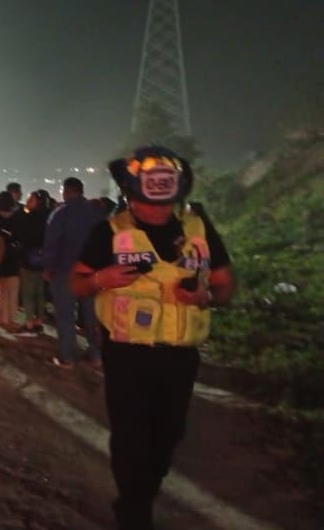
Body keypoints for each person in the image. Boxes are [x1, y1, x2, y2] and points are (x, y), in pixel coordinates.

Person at [70, 145, 234, 530]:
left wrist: (206, 296)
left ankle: (142, 491)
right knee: (130, 436)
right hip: (127, 354)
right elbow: (75, 283)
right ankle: (133, 509)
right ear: (131, 187)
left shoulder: (199, 229)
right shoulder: (108, 231)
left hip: (181, 356)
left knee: (168, 435)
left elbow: (226, 284)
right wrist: (99, 280)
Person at [42, 176, 104, 368]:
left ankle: (68, 356)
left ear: (67, 191)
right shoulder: (98, 214)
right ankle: (96, 354)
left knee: (66, 316)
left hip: (65, 272)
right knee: (93, 316)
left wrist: (48, 268)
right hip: (93, 274)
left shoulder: (61, 214)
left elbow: (52, 244)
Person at [14, 190, 50, 335]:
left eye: (31, 199)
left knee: (28, 293)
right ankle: (39, 321)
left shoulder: (30, 217)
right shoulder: (49, 216)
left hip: (30, 259)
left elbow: (21, 234)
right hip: (45, 259)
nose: (28, 200)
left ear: (37, 202)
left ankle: (29, 324)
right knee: (40, 292)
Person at [0, 190, 24, 329]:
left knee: (2, 288)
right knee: (13, 290)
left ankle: (1, 316)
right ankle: (9, 317)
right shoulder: (18, 216)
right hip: (13, 255)